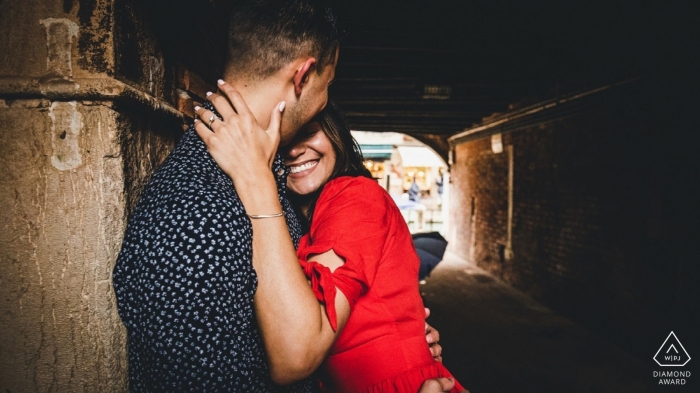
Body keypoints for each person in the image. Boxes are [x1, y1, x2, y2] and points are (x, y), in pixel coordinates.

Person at [112, 0, 451, 391]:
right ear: (303, 75)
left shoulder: (268, 177)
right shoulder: (196, 215)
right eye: (327, 86)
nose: (323, 102)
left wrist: (392, 339)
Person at [194, 93, 467, 393]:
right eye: (283, 141)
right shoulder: (308, 212)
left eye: (309, 132)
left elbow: (293, 356)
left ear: (336, 133)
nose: (295, 150)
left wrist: (255, 179)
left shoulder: (353, 196)